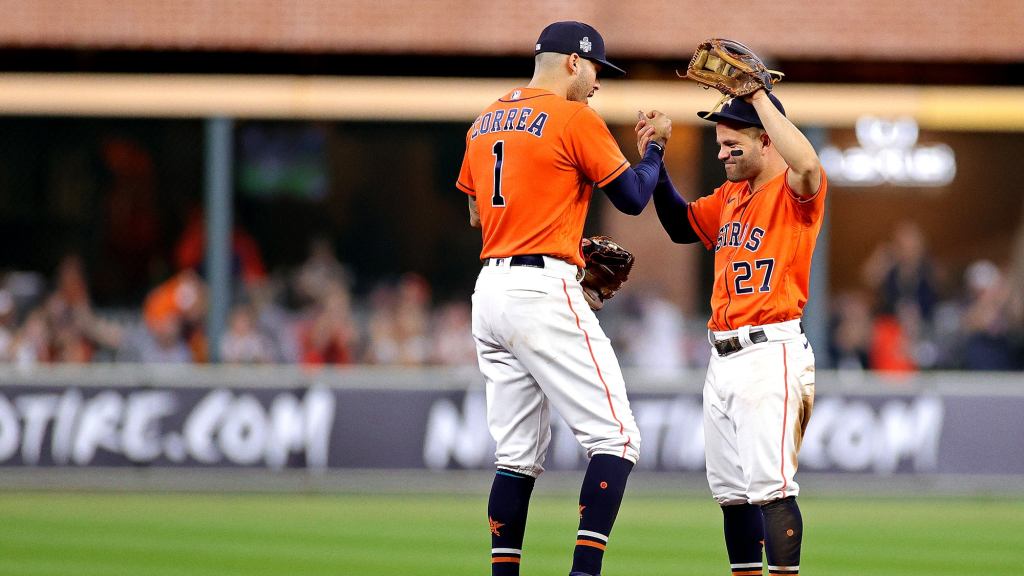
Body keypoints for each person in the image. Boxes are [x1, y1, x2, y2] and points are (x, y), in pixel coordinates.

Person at [455, 21, 670, 576]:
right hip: (539, 285)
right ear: (574, 62)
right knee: (618, 438)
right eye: (597, 68)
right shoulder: (574, 116)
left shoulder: (486, 119)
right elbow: (632, 197)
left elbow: (477, 212)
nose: (599, 82)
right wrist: (655, 152)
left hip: (490, 289)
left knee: (516, 456)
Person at [641, 88, 826, 576]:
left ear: (767, 140)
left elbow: (807, 163)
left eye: (732, 144)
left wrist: (760, 95)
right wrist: (656, 161)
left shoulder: (793, 190)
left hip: (770, 350)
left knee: (772, 490)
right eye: (719, 144)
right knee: (732, 497)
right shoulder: (731, 196)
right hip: (722, 358)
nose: (721, 153)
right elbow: (682, 226)